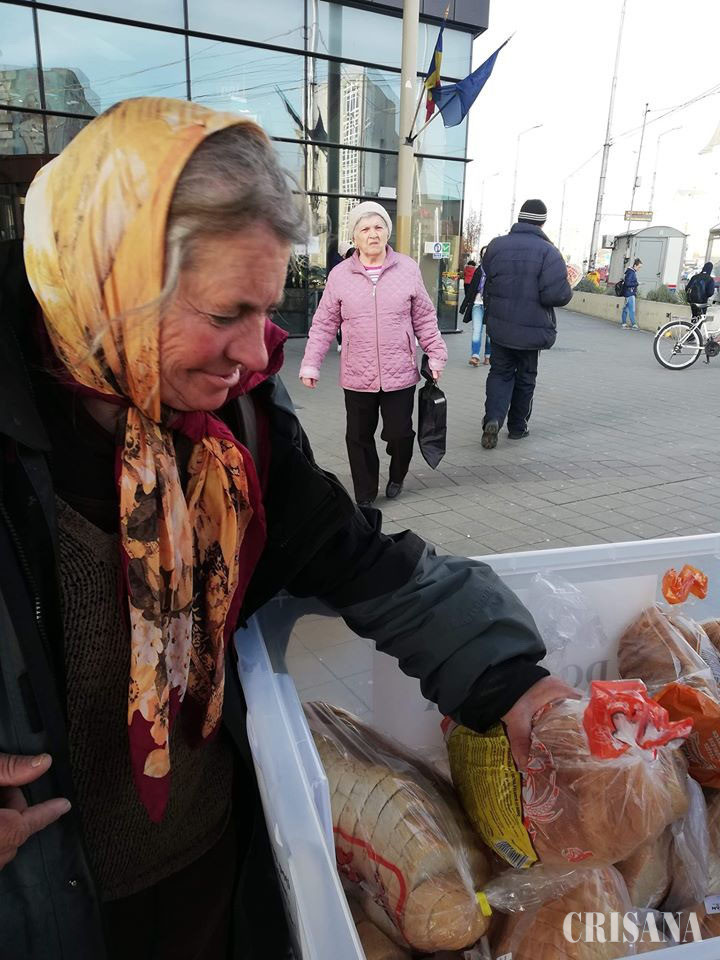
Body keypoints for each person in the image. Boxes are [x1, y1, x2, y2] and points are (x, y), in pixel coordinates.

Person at [0, 98, 577, 960]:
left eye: (266, 312)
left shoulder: (235, 427)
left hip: (213, 870)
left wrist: (511, 681)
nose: (255, 354)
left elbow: (356, 557)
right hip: (45, 911)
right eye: (224, 313)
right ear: (113, 281)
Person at [299, 200, 448, 505]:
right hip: (357, 372)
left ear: (387, 232)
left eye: (378, 227)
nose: (373, 234)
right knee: (358, 437)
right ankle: (365, 493)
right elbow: (324, 323)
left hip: (399, 371)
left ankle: (397, 474)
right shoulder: (340, 275)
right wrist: (311, 363)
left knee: (400, 434)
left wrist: (436, 354)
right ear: (355, 236)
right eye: (365, 228)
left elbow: (424, 317)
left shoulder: (407, 268)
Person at [480, 199, 572, 450]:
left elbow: (489, 278)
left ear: (519, 218)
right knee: (525, 377)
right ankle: (517, 427)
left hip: (501, 326)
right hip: (532, 330)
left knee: (499, 373)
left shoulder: (496, 246)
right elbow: (555, 295)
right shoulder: (549, 252)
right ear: (542, 222)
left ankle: (493, 418)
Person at [460, 245, 491, 366]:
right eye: (483, 254)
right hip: (477, 304)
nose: (485, 256)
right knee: (476, 330)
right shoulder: (478, 270)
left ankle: (488, 356)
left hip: (491, 305)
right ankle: (475, 356)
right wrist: (464, 306)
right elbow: (472, 289)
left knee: (490, 333)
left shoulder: (496, 270)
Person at [621, 257, 642, 329]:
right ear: (635, 265)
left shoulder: (629, 271)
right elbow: (628, 283)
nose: (639, 269)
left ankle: (624, 324)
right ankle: (634, 325)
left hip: (627, 293)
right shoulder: (631, 273)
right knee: (632, 309)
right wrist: (637, 283)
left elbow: (627, 282)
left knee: (625, 309)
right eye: (639, 267)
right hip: (630, 293)